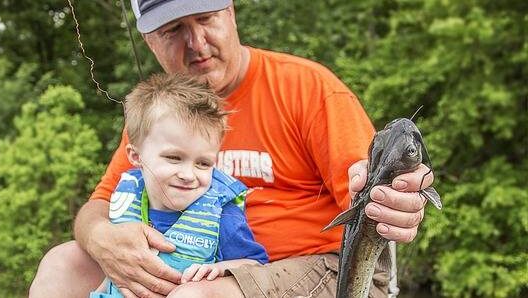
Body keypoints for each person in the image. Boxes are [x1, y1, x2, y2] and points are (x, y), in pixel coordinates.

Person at [29, 1, 434, 297]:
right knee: (62, 265)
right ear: (150, 41)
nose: (197, 42)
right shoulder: (162, 114)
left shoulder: (308, 88)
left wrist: (396, 201)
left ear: (231, 13)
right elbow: (99, 204)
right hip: (198, 266)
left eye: (205, 18)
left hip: (328, 268)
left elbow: (371, 187)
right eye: (173, 30)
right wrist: (101, 237)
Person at [88, 73, 268, 298]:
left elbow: (255, 264)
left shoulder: (222, 215)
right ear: (136, 156)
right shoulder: (126, 202)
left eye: (203, 163)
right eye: (174, 158)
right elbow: (112, 273)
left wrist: (219, 269)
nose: (187, 174)